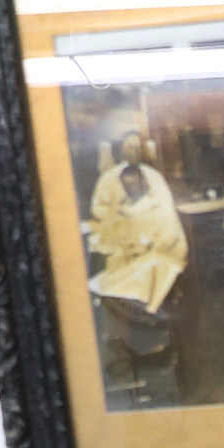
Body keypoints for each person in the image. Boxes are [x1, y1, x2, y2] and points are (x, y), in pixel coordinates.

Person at [88, 132, 188, 315]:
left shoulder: (154, 176)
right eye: (129, 146)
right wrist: (120, 215)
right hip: (122, 236)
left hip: (155, 239)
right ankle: (128, 307)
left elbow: (165, 211)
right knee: (119, 275)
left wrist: (150, 228)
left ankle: (151, 309)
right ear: (122, 150)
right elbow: (98, 208)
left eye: (137, 147)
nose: (134, 151)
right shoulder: (109, 178)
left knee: (157, 266)